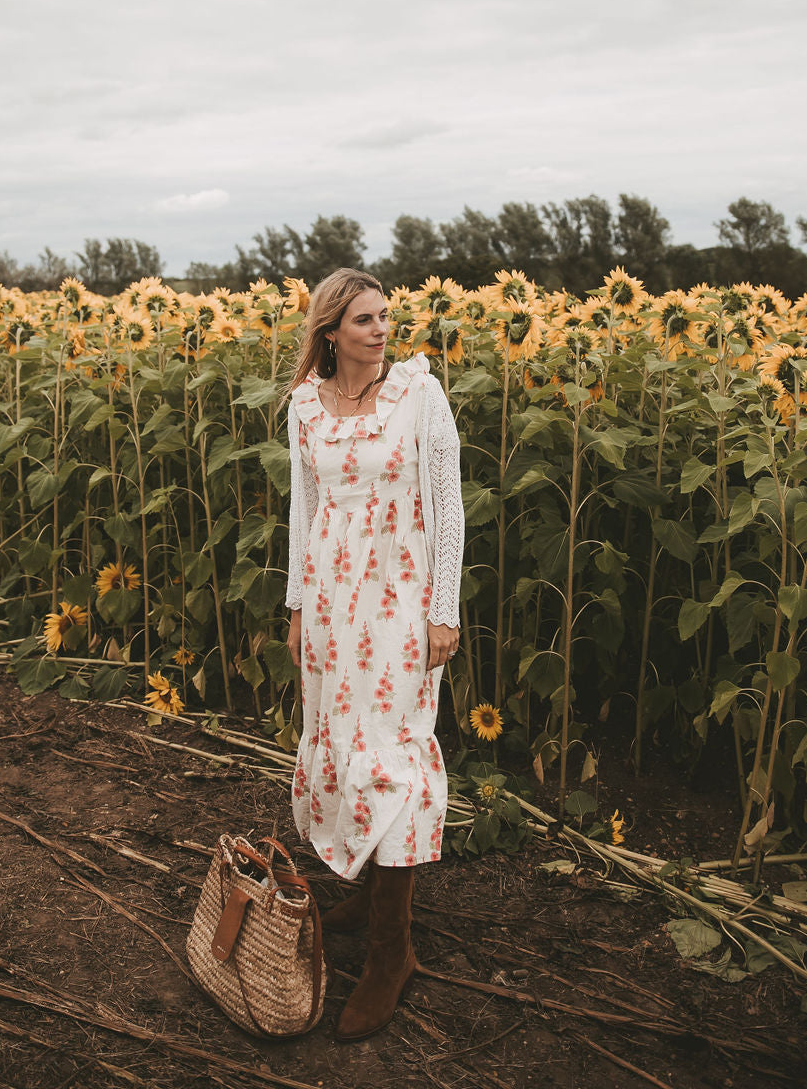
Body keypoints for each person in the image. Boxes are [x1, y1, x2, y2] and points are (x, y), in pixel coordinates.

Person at [284, 268, 465, 1041]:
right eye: (364, 319)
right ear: (331, 331)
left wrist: (443, 610)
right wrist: (296, 602)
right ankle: (362, 882)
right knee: (336, 736)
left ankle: (393, 949)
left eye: (385, 316)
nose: (381, 329)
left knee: (392, 746)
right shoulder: (305, 407)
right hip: (330, 591)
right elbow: (307, 505)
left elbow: (447, 501)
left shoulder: (418, 394)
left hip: (398, 590)